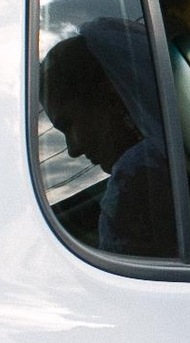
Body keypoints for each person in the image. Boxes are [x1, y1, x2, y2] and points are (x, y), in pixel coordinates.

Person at [40, 24, 176, 258]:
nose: (72, 150)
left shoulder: (136, 176)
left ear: (110, 97)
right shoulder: (179, 158)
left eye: (69, 124)